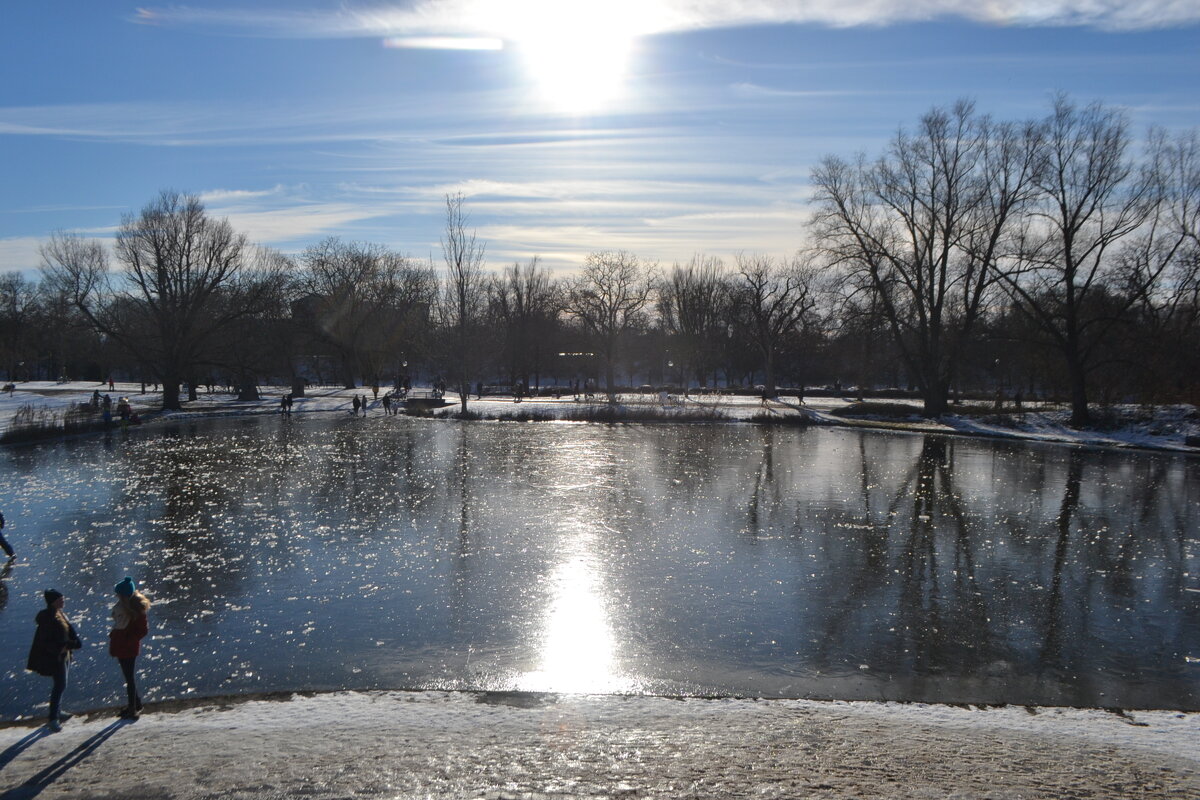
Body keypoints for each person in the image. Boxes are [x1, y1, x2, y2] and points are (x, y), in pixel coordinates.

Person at [27, 589, 82, 732]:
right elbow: (46, 641)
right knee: (60, 685)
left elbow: (67, 633)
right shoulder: (49, 618)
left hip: (64, 655)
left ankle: (57, 711)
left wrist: (71, 644)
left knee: (61, 684)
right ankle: (53, 718)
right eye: (60, 599)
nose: (63, 601)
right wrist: (61, 649)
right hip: (56, 657)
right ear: (53, 602)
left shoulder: (59, 614)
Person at [109, 576, 150, 719]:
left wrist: (127, 639)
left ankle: (133, 709)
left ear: (124, 595)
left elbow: (142, 630)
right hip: (122, 645)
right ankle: (136, 704)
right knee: (128, 677)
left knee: (129, 678)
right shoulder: (124, 607)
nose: (116, 596)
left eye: (118, 594)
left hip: (127, 647)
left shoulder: (136, 610)